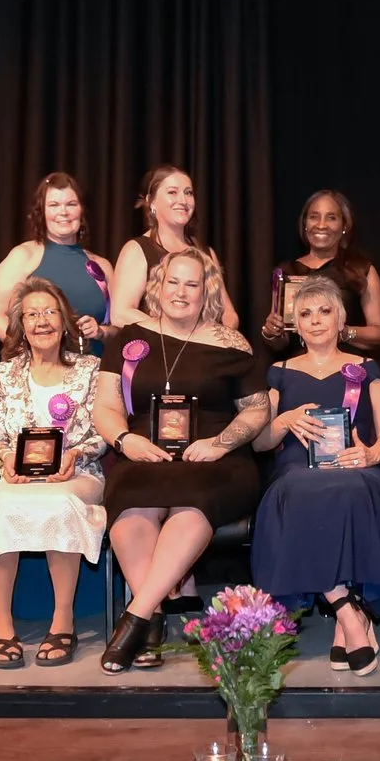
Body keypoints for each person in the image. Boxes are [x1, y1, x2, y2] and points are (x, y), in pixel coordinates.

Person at [96, 248, 270, 672]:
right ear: (158, 285)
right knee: (131, 502)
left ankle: (137, 617)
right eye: (173, 281)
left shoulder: (230, 342)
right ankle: (151, 615)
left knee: (193, 504)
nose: (181, 291)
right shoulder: (128, 337)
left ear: (205, 290)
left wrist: (221, 443)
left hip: (215, 459)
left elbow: (257, 408)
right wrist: (123, 441)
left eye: (191, 284)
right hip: (144, 451)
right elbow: (104, 406)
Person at [251, 276, 380, 674]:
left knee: (353, 488)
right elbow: (261, 444)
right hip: (295, 472)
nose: (316, 320)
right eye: (305, 313)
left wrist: (371, 454)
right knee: (303, 492)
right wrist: (284, 420)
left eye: (325, 311)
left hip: (356, 466)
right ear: (295, 325)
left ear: (341, 319)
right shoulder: (278, 372)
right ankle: (349, 613)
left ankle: (344, 615)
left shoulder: (366, 368)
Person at [0, 277, 108, 668]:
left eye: (50, 312)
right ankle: (3, 628)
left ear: (64, 322)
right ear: (21, 325)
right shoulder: (5, 374)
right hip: (20, 478)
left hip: (78, 474)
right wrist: (5, 459)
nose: (41, 321)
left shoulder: (91, 370)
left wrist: (78, 451)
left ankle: (63, 622)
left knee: (58, 503)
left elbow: (106, 430)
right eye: (32, 314)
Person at [256, 189, 380, 359]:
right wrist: (272, 333)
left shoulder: (359, 269)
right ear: (305, 223)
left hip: (347, 370)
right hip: (299, 368)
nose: (321, 225)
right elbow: (280, 343)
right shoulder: (286, 272)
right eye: (314, 216)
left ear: (345, 225)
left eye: (331, 218)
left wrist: (344, 332)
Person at [0, 173, 114, 351]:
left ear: (81, 210)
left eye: (71, 204)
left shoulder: (102, 266)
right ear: (41, 212)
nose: (63, 212)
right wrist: (29, 353)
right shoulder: (24, 256)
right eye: (54, 205)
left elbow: (121, 329)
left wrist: (102, 332)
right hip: (39, 374)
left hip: (94, 373)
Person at [107, 165, 237, 330]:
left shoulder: (206, 252)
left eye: (188, 193)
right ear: (151, 201)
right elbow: (121, 313)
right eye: (172, 192)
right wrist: (176, 334)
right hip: (158, 351)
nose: (183, 200)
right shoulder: (137, 249)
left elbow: (229, 314)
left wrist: (217, 339)